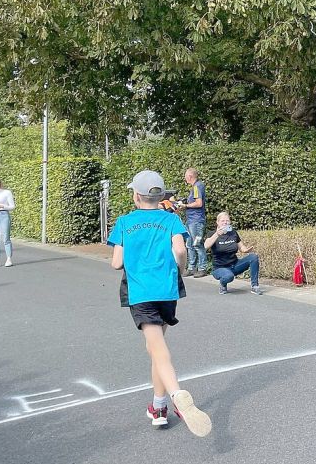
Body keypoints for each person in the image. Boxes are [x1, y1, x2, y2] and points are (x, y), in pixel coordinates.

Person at [106, 170, 211, 437]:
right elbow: (180, 250)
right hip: (167, 290)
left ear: (136, 196)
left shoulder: (125, 222)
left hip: (141, 292)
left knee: (158, 350)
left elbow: (117, 262)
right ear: (160, 196)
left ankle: (177, 394)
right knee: (156, 348)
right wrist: (182, 268)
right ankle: (159, 407)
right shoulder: (171, 220)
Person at [205, 211, 262, 295]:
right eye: (223, 221)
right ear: (217, 222)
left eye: (227, 221)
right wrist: (217, 234)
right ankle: (223, 284)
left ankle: (255, 286)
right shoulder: (212, 234)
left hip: (235, 265)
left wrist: (246, 250)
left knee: (253, 257)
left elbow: (241, 247)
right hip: (220, 268)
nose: (225, 223)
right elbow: (206, 246)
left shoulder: (233, 233)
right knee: (229, 276)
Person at [182, 168, 208, 278]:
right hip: (191, 220)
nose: (184, 178)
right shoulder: (195, 187)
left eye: (185, 176)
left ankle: (202, 268)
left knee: (197, 244)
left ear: (190, 176)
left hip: (196, 221)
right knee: (189, 244)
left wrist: (186, 206)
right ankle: (191, 268)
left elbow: (198, 203)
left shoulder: (197, 186)